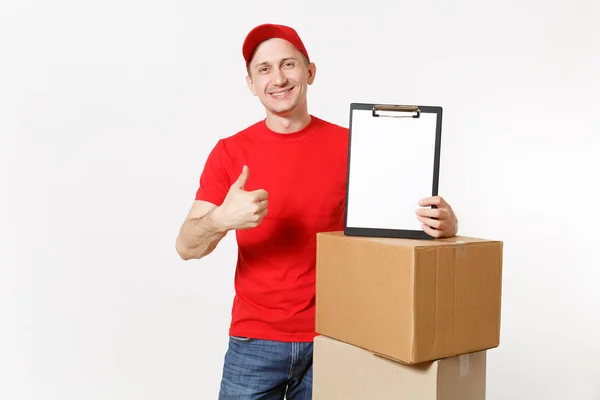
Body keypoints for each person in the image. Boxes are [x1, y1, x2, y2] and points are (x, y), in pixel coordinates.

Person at [175, 23, 459, 400]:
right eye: (264, 69)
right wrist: (223, 219)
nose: (278, 78)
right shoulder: (230, 152)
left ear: (310, 72)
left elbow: (397, 228)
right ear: (250, 83)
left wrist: (445, 224)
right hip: (256, 339)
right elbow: (186, 246)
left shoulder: (353, 146)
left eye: (288, 65)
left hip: (337, 337)